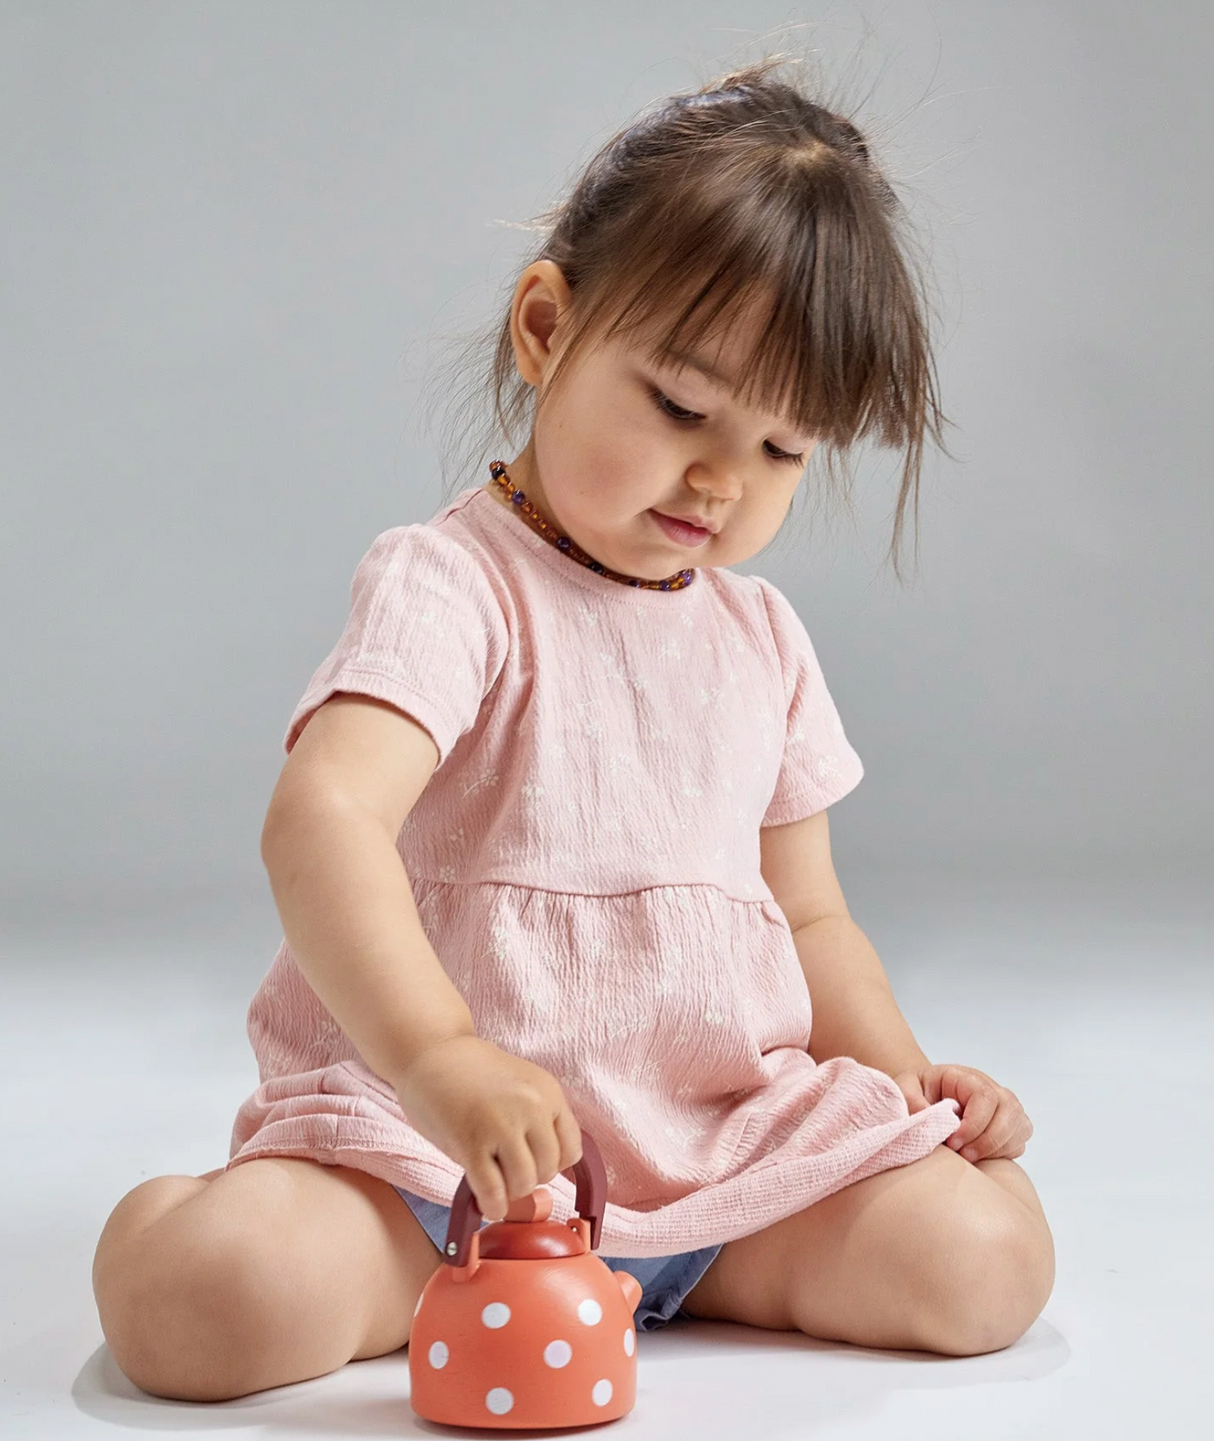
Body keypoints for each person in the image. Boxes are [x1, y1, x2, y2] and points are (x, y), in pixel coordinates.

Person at [91, 55, 1055, 1404]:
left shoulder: (758, 639)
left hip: (715, 1164)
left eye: (784, 449)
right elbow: (324, 815)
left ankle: (656, 1271)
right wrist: (442, 1062)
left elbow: (812, 920)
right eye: (680, 407)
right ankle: (242, 1235)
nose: (723, 479)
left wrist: (906, 1087)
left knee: (983, 1258)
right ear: (546, 329)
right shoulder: (452, 585)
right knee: (211, 1308)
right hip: (433, 1164)